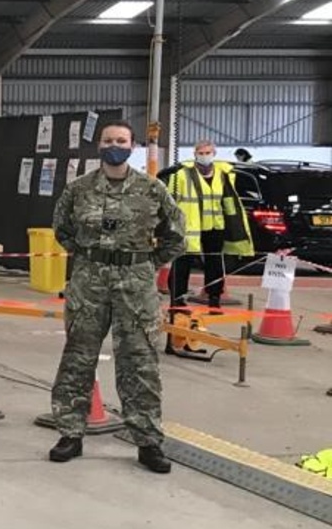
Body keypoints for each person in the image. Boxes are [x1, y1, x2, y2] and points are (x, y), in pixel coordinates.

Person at [48, 120, 184, 474]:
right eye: (108, 140)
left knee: (140, 362)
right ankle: (70, 433)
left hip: (136, 283)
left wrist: (148, 263)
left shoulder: (152, 190)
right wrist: (87, 256)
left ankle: (148, 440)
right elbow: (61, 229)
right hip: (88, 280)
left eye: (121, 140)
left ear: (133, 145)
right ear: (99, 145)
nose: (114, 145)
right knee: (78, 357)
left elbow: (176, 235)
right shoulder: (78, 189)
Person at [163, 140, 254, 321]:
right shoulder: (182, 174)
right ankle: (178, 299)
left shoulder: (223, 174)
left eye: (208, 152)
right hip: (191, 226)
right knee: (183, 262)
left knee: (214, 263)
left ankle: (214, 298)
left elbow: (228, 200)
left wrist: (233, 224)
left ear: (214, 153)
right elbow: (172, 199)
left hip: (215, 225)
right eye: (201, 152)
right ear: (195, 153)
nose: (204, 156)